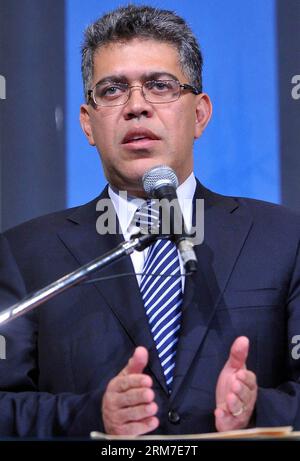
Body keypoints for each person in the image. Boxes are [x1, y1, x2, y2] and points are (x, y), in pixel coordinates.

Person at [1, 4, 300, 437]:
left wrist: (257, 409)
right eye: (111, 90)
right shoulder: (26, 254)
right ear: (87, 124)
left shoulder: (283, 239)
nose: (136, 107)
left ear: (199, 113)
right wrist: (92, 415)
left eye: (159, 86)